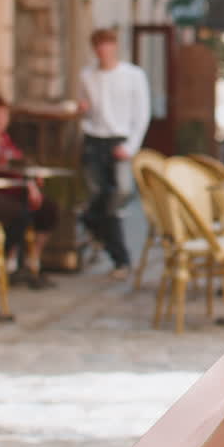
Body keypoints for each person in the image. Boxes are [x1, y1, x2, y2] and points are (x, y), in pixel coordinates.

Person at [0, 95, 59, 288]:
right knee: (20, 214)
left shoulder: (5, 139)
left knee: (47, 209)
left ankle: (32, 261)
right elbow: (6, 164)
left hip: (12, 191)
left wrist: (31, 181)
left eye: (3, 115)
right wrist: (28, 183)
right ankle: (5, 261)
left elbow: (19, 163)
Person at [78, 28, 151, 280]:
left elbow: (142, 114)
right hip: (94, 139)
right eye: (98, 46)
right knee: (99, 194)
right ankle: (118, 255)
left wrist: (131, 146)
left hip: (119, 140)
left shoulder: (133, 75)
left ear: (114, 46)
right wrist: (83, 111)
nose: (103, 51)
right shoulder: (87, 76)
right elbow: (85, 111)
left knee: (120, 192)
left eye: (107, 45)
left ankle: (92, 225)